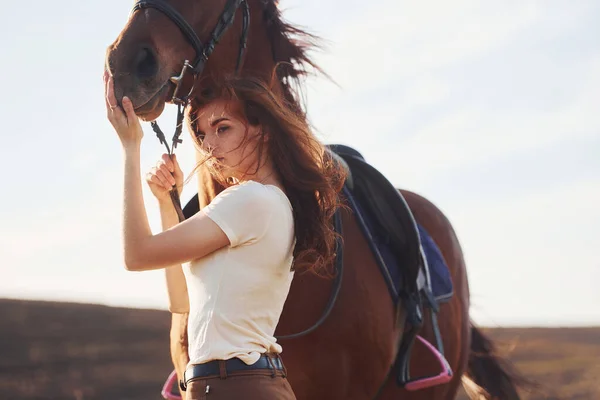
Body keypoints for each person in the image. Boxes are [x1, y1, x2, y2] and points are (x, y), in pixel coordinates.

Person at [104, 72, 345, 399]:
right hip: (240, 384)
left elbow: (136, 255)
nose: (208, 145)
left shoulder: (250, 199)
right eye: (203, 133)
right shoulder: (268, 202)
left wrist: (130, 147)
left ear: (262, 130)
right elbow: (182, 301)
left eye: (223, 128)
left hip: (233, 385)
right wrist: (166, 202)